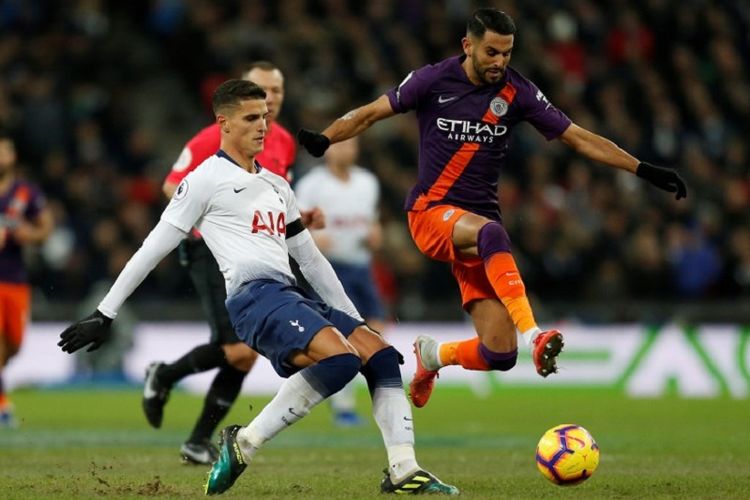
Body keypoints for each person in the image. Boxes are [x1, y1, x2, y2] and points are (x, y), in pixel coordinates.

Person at [58, 80, 458, 496]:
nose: (262, 126)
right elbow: (151, 248)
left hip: (287, 293)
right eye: (251, 118)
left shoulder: (277, 186)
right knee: (340, 361)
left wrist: (355, 319)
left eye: (265, 116)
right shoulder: (203, 181)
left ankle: (403, 468)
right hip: (253, 299)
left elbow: (311, 261)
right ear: (224, 124)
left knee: (381, 357)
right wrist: (105, 312)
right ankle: (245, 442)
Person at [298, 8, 687, 409]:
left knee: (499, 353)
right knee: (492, 233)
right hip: (431, 213)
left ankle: (432, 356)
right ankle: (535, 334)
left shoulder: (518, 92)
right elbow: (370, 114)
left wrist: (643, 168)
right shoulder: (432, 80)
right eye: (491, 52)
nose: (500, 62)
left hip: (478, 232)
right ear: (468, 45)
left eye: (507, 53)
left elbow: (577, 138)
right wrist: (325, 139)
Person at [151, 61, 319, 464]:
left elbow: (272, 198)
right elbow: (173, 184)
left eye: (277, 91)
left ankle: (176, 399)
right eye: (262, 90)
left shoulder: (281, 142)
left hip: (256, 251)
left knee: (240, 353)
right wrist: (212, 217)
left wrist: (297, 220)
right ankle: (182, 409)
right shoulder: (214, 135)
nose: (271, 98)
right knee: (240, 352)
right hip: (209, 247)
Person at [295, 136, 386, 426]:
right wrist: (313, 238)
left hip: (361, 266)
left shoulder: (368, 182)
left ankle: (375, 398)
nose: (346, 149)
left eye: (351, 144)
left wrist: (376, 234)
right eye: (341, 144)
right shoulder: (312, 185)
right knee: (342, 337)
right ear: (329, 149)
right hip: (329, 270)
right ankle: (342, 405)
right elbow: (294, 225)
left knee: (376, 331)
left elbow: (372, 222)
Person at [0, 130, 54, 427]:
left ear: (12, 156)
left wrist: (29, 235)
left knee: (13, 346)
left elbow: (45, 228)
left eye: (4, 151)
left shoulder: (25, 193)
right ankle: (2, 406)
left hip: (15, 280)